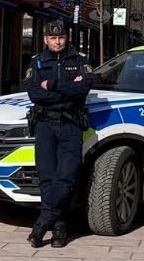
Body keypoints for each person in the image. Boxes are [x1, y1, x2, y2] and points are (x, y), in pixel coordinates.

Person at [22, 20, 94, 248]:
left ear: (66, 38)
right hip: (45, 125)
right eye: (53, 38)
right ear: (45, 39)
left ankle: (43, 223)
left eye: (61, 37)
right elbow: (35, 95)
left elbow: (82, 90)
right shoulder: (37, 61)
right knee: (47, 177)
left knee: (67, 176)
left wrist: (51, 86)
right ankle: (60, 226)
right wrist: (66, 90)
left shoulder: (80, 60)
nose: (57, 41)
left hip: (71, 124)